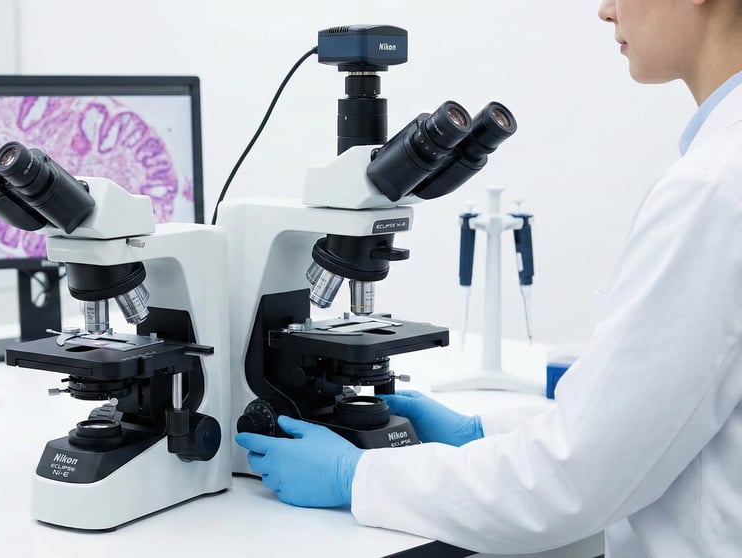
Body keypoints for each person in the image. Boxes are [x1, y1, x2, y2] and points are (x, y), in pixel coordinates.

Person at [235, 0, 742, 555]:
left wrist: (357, 477)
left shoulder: (713, 189)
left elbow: (571, 480)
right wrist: (482, 434)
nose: (605, 10)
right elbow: (631, 422)